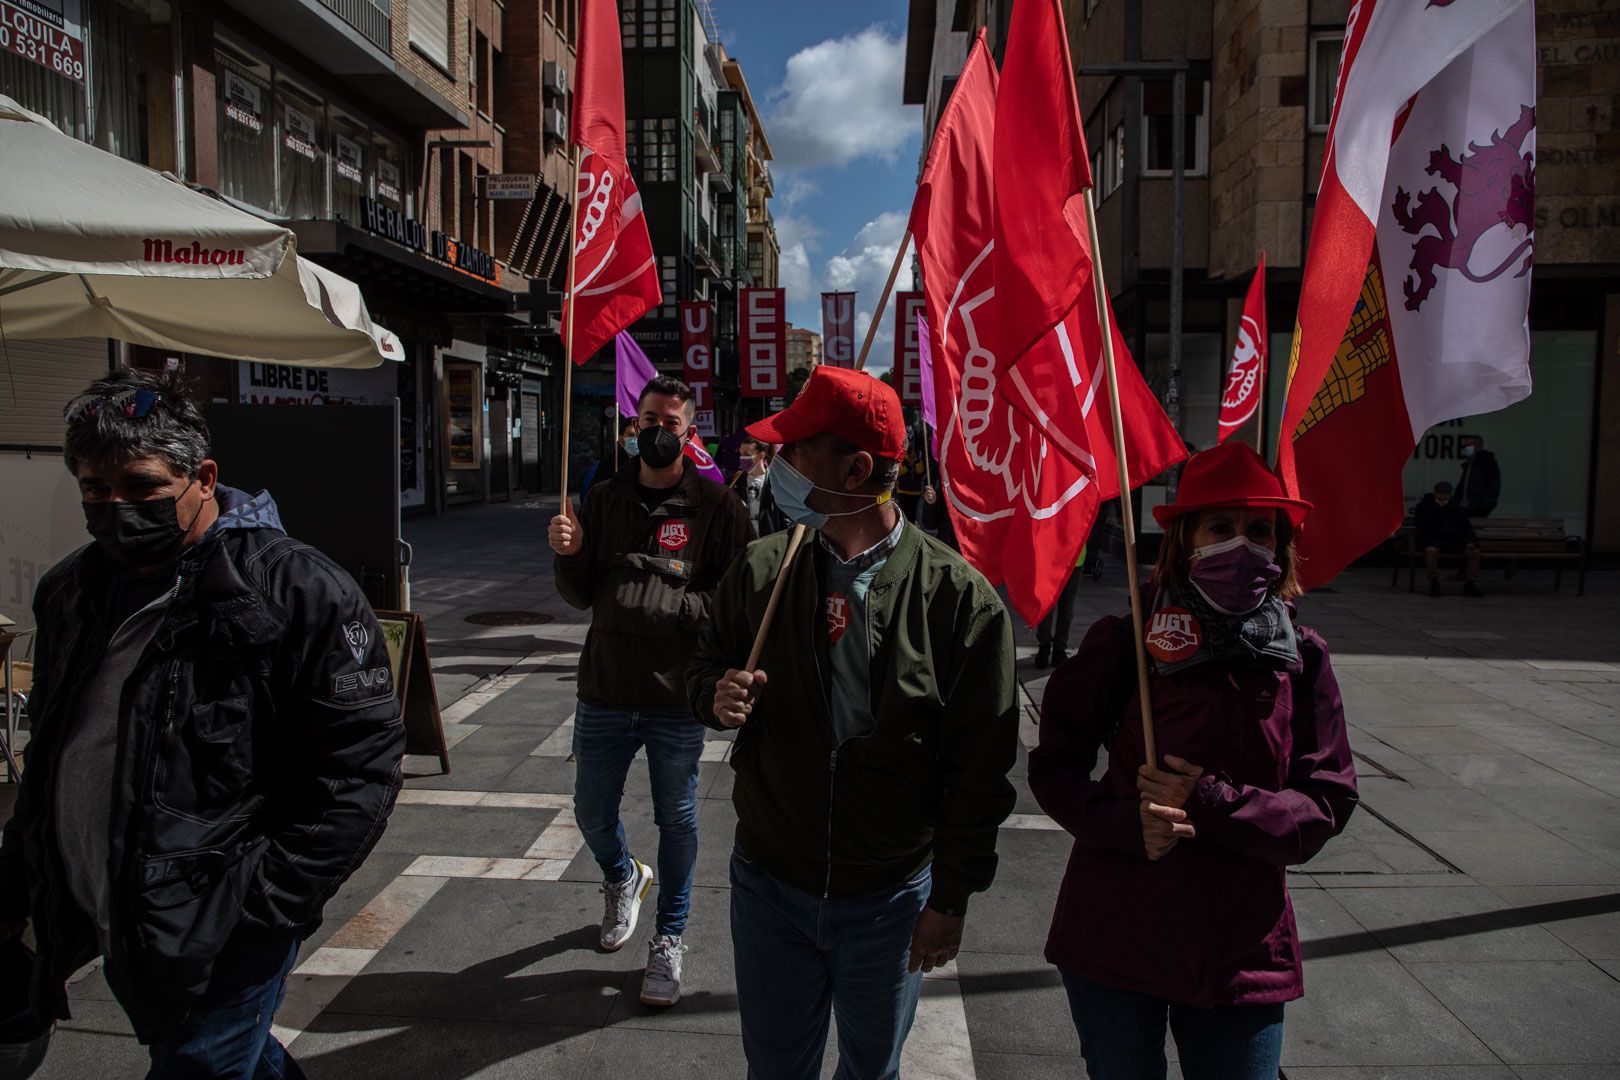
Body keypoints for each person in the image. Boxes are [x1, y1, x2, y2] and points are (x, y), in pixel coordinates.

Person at [0, 370, 404, 1079]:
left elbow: (358, 770)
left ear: (204, 477)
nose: (116, 507)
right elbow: (57, 751)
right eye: (95, 489)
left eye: (141, 487)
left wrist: (261, 908)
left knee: (198, 1065)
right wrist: (17, 880)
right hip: (110, 906)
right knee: (220, 1059)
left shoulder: (298, 589)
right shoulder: (71, 589)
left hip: (221, 920)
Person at [688, 366, 1019, 1080]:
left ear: (856, 468)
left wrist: (952, 897)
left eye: (794, 451)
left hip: (891, 901)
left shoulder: (960, 601)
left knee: (872, 1069)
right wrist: (711, 693)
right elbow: (700, 661)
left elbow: (979, 771)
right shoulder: (760, 570)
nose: (777, 467)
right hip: (770, 884)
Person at [1029, 441, 1358, 1080]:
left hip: (1242, 949)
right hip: (1118, 933)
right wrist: (1124, 823)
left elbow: (1326, 800)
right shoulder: (1127, 637)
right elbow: (1055, 767)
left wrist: (1214, 802)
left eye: (1259, 531)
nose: (1241, 545)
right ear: (1185, 540)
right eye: (1220, 527)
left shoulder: (1302, 656)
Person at [548, 375, 751, 1007]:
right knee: (590, 812)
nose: (658, 431)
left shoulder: (718, 507)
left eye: (671, 421)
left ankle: (669, 936)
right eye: (647, 420)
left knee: (678, 818)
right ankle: (623, 875)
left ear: (691, 434)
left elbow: (738, 600)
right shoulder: (603, 498)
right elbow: (579, 595)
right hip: (605, 688)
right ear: (633, 426)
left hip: (676, 699)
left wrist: (668, 601)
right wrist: (572, 553)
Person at [1414, 481, 1484, 598]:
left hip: (1453, 540)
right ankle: (1434, 581)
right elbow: (1421, 524)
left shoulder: (1455, 507)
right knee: (1431, 551)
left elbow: (1466, 527)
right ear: (1435, 494)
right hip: (1432, 539)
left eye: (1445, 499)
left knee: (1474, 552)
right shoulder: (1425, 506)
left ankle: (1470, 583)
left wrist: (1471, 542)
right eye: (1439, 499)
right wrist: (1436, 512)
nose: (1442, 502)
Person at [1035, 546, 1086, 669]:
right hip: (1050, 555)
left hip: (1074, 556)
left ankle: (1059, 649)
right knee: (1047, 606)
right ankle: (1045, 645)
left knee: (1066, 608)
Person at [729, 436, 779, 537]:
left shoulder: (775, 482)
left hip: (767, 541)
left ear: (761, 455)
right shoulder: (736, 479)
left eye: (746, 454)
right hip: (742, 540)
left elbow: (784, 518)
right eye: (741, 454)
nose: (742, 458)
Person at [581, 418, 640, 496]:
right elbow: (595, 494)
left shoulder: (647, 461)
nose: (636, 438)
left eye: (638, 435)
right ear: (621, 440)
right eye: (631, 435)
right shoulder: (610, 463)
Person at [1455, 435, 1501, 518]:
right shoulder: (1470, 463)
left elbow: (1493, 484)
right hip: (1467, 505)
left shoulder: (1486, 461)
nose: (1466, 448)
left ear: (1478, 445)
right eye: (1465, 446)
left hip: (1476, 506)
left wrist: (1482, 503)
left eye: (1468, 445)